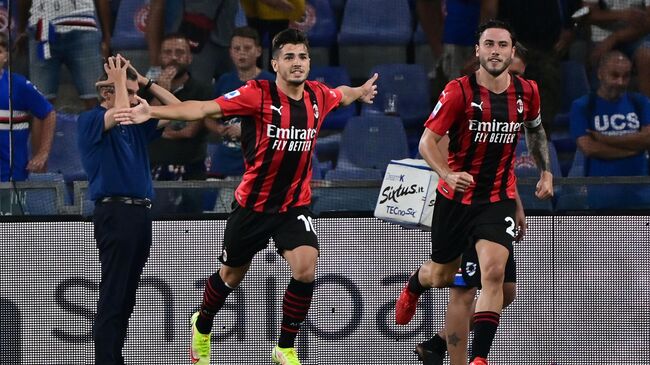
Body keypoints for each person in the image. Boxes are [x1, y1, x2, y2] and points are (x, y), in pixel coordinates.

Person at [114, 28, 378, 365]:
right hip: (252, 206)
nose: (297, 63)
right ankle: (203, 322)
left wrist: (360, 89)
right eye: (289, 57)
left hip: (293, 205)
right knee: (229, 277)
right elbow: (202, 109)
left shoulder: (317, 95)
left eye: (302, 56)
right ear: (275, 63)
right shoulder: (257, 94)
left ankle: (284, 347)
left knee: (306, 266)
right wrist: (152, 112)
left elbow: (342, 93)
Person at [394, 20, 553, 365]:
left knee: (494, 277)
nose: (496, 51)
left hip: (495, 201)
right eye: (489, 44)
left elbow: (534, 133)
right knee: (443, 276)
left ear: (512, 52)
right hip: (455, 202)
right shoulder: (458, 92)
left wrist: (545, 172)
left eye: (502, 45)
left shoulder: (528, 93)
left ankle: (477, 358)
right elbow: (426, 143)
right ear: (477, 50)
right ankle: (417, 283)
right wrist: (447, 174)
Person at [415, 45, 530, 365]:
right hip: (463, 209)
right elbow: (433, 148)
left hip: (496, 206)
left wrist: (516, 203)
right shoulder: (464, 104)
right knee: (463, 291)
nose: (513, 79)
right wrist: (449, 177)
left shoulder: (515, 106)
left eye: (519, 74)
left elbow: (503, 167)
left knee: (505, 291)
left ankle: (437, 344)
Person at [77, 54, 181, 364]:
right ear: (106, 93)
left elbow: (178, 111)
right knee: (113, 295)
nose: (137, 101)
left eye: (136, 94)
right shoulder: (91, 120)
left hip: (139, 214)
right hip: (115, 212)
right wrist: (121, 81)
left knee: (126, 297)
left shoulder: (137, 124)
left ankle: (114, 358)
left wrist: (148, 83)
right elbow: (120, 114)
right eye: (129, 92)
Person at [569, 50, 650, 209]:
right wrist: (634, 149)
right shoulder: (583, 106)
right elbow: (589, 148)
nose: (620, 82)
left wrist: (605, 139)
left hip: (641, 195)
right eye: (614, 75)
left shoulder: (641, 103)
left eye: (625, 76)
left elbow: (648, 139)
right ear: (600, 74)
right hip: (601, 196)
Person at [206, 26, 275, 212]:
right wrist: (219, 129)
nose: (241, 53)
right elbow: (207, 116)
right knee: (223, 219)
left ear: (258, 51)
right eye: (237, 49)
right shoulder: (224, 81)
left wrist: (247, 130)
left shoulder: (271, 83)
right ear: (230, 52)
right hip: (225, 164)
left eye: (247, 48)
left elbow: (281, 122)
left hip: (258, 167)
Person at [145, 33, 213, 214]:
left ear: (189, 58)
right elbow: (143, 124)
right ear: (159, 57)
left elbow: (189, 131)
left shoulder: (203, 90)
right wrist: (161, 92)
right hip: (152, 170)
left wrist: (160, 130)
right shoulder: (144, 92)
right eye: (168, 52)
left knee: (192, 230)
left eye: (179, 52)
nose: (174, 57)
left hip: (191, 171)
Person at [16, 0, 111, 110]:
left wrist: (106, 36)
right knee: (40, 102)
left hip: (80, 27)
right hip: (43, 31)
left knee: (97, 99)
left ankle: (98, 126)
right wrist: (22, 30)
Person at [0, 31, 56, 213]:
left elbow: (48, 114)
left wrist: (43, 153)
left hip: (10, 179)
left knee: (9, 235)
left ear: (6, 55)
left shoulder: (18, 85)